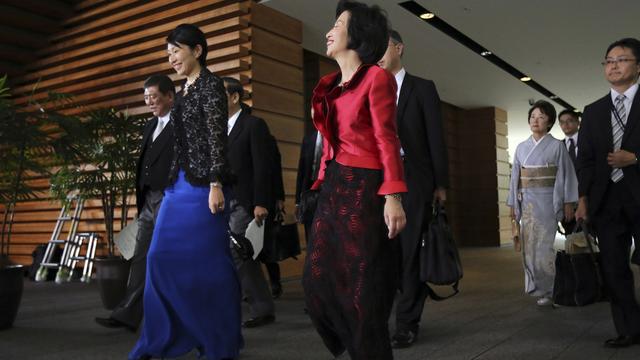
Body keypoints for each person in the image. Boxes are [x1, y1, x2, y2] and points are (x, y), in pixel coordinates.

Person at [129, 24, 242, 360]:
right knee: (157, 258)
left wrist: (216, 184)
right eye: (168, 53)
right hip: (177, 187)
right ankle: (160, 338)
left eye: (176, 50)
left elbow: (215, 137)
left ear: (198, 50)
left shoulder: (211, 87)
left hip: (204, 187)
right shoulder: (185, 89)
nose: (172, 58)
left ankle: (218, 340)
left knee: (211, 266)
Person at [303, 1, 407, 359]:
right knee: (315, 282)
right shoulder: (330, 85)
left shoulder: (376, 78)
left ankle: (370, 350)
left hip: (364, 187)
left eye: (338, 24)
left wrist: (393, 195)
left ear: (357, 34)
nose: (329, 31)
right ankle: (359, 344)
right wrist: (321, 181)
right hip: (333, 186)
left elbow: (386, 139)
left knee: (362, 292)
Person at [378, 29, 449, 349]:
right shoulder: (371, 88)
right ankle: (382, 316)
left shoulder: (422, 88)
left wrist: (440, 184)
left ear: (399, 48)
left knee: (409, 252)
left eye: (384, 46)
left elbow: (436, 138)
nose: (377, 53)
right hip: (377, 181)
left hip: (413, 180)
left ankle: (407, 323)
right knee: (381, 253)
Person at [95, 75, 175, 332]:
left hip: (171, 198)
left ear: (170, 96)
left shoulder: (182, 125)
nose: (149, 102)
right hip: (149, 200)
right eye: (146, 97)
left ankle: (172, 319)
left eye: (154, 96)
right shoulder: (150, 126)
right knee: (140, 256)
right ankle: (128, 314)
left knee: (164, 258)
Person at [575, 37, 640, 348]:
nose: (614, 65)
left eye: (622, 59)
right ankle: (629, 329)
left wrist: (636, 158)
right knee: (614, 269)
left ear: (638, 66)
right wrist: (583, 199)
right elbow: (585, 159)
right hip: (606, 200)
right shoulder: (594, 110)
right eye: (608, 61)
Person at [507, 100, 578, 307]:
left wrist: (567, 202)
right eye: (532, 117)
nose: (535, 121)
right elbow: (514, 178)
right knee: (529, 247)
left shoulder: (557, 146)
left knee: (544, 246)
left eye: (540, 117)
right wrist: (513, 203)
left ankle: (552, 287)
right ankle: (539, 288)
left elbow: (566, 175)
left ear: (549, 121)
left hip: (548, 199)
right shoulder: (521, 148)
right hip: (527, 202)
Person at [221, 77, 276, 328]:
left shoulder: (254, 125)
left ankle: (262, 307)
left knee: (240, 251)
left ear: (234, 97)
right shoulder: (216, 129)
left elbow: (263, 168)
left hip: (244, 201)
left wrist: (261, 202)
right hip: (219, 202)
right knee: (226, 253)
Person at [295, 127, 323, 242]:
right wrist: (297, 201)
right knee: (310, 228)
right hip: (309, 190)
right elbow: (301, 170)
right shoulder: (308, 139)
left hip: (326, 188)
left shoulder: (333, 135)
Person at [558, 109, 581, 234]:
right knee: (573, 243)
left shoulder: (589, 142)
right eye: (562, 122)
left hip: (590, 200)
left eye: (569, 121)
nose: (565, 125)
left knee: (594, 242)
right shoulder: (558, 147)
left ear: (578, 122)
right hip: (566, 205)